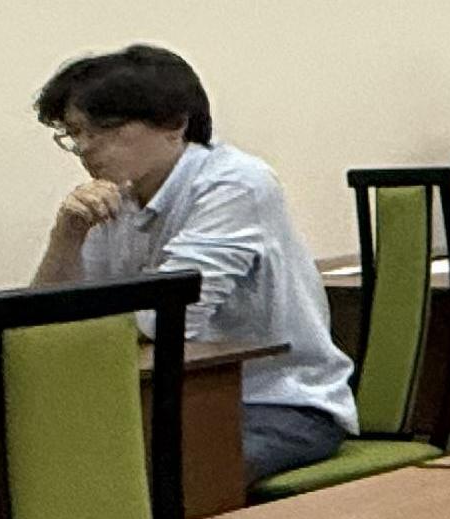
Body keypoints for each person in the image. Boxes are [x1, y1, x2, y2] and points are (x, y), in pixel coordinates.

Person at [30, 44, 359, 491]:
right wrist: (67, 235)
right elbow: (42, 324)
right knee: (40, 473)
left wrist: (85, 318)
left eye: (104, 129)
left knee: (156, 485)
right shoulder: (112, 197)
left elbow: (166, 320)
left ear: (175, 124)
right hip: (158, 399)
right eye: (74, 134)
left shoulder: (235, 184)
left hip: (276, 403)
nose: (86, 149)